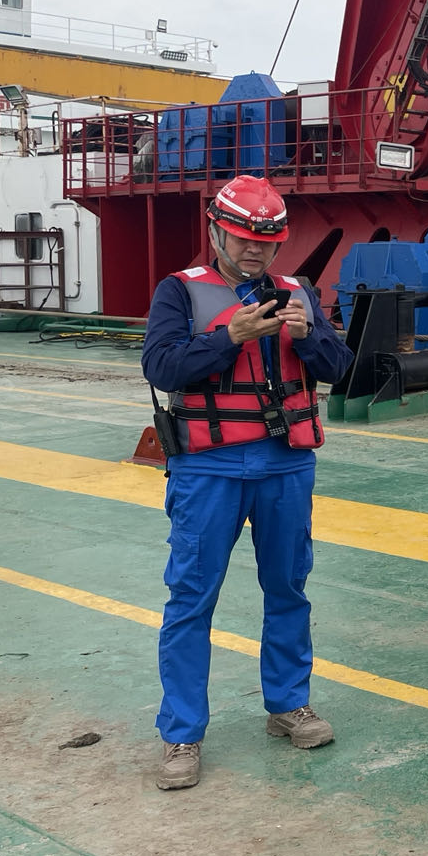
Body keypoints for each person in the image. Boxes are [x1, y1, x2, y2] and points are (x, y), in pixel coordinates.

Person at [141, 174, 354, 791]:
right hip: (208, 467)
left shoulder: (299, 294)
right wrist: (229, 337)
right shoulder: (179, 292)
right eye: (243, 239)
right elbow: (161, 365)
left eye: (266, 242)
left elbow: (340, 368)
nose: (255, 251)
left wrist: (307, 337)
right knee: (191, 596)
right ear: (217, 232)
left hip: (285, 463)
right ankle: (181, 733)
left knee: (288, 586)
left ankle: (289, 705)